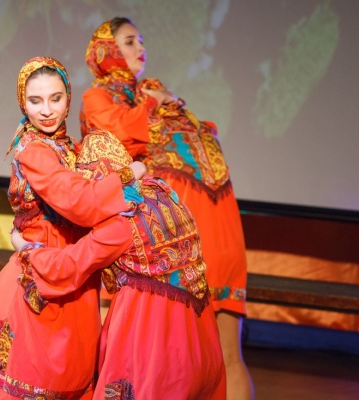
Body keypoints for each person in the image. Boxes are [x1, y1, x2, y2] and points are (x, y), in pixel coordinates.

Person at [80, 17, 254, 400]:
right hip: (200, 230)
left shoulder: (147, 97)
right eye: (129, 41)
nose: (140, 48)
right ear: (106, 49)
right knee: (216, 358)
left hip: (171, 235)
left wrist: (153, 101)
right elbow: (121, 132)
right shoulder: (135, 99)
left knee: (132, 355)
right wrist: (155, 101)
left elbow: (116, 146)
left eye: (140, 40)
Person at [11, 130, 226, 399]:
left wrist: (25, 247)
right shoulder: (164, 193)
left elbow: (66, 267)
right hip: (201, 335)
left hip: (153, 333)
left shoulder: (122, 220)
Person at [0, 56, 143, 399]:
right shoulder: (35, 151)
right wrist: (128, 176)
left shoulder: (68, 147)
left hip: (74, 280)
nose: (46, 111)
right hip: (39, 286)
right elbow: (80, 203)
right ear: (22, 103)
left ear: (68, 98)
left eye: (55, 98)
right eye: (35, 101)